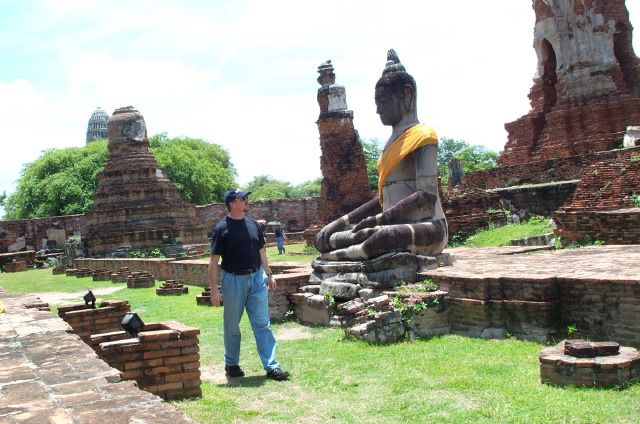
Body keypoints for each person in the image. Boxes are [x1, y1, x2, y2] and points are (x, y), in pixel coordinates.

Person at [314, 49, 448, 260]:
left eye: (383, 102)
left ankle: (342, 257)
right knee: (325, 238)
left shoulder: (423, 135)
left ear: (407, 95)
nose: (378, 110)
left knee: (385, 236)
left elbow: (427, 194)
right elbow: (383, 198)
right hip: (388, 223)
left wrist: (379, 220)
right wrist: (341, 222)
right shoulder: (389, 145)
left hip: (427, 225)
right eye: (377, 103)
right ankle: (346, 254)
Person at [208, 188, 290, 381]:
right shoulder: (222, 228)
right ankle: (232, 364)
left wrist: (269, 275)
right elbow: (213, 261)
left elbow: (262, 253)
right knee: (232, 325)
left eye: (246, 198)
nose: (246, 201)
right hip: (233, 279)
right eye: (242, 199)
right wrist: (214, 289)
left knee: (262, 323)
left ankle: (272, 366)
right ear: (232, 203)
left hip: (256, 278)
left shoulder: (253, 225)